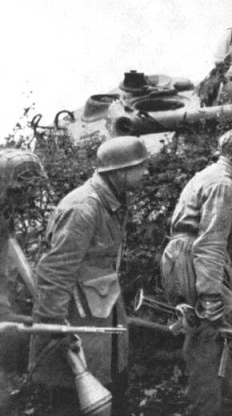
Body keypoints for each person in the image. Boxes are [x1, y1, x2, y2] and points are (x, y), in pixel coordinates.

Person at [29, 136, 149, 415]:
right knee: (72, 399)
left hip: (99, 313)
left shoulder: (112, 198)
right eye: (141, 166)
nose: (146, 172)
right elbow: (54, 272)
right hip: (75, 321)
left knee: (111, 389)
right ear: (120, 171)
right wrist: (55, 328)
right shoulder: (84, 207)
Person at [161, 124, 232, 416]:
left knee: (213, 340)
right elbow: (210, 244)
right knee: (206, 345)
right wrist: (210, 297)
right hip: (196, 264)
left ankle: (229, 408)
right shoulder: (223, 184)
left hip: (188, 261)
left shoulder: (217, 176)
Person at [0, 148, 47, 323]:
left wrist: (3, 311)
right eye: (22, 190)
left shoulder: (3, 220)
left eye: (32, 189)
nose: (29, 197)